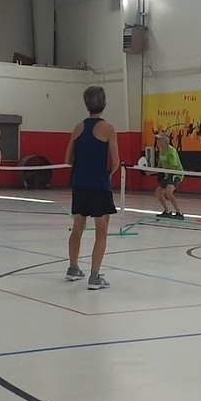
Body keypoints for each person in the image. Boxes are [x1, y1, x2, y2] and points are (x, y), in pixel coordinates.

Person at [65, 86, 120, 290]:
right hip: (99, 185)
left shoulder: (78, 128)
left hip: (79, 184)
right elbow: (115, 161)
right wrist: (106, 175)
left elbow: (67, 158)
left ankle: (73, 268)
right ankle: (94, 276)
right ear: (104, 103)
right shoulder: (108, 129)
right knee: (101, 232)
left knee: (77, 228)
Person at [154, 132, 185, 219]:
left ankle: (179, 213)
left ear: (166, 141)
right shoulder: (161, 152)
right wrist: (151, 171)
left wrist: (161, 169)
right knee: (158, 192)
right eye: (157, 139)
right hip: (168, 174)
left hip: (176, 174)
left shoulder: (171, 151)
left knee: (168, 192)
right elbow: (159, 166)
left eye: (159, 139)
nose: (157, 141)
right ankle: (167, 211)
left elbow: (173, 166)